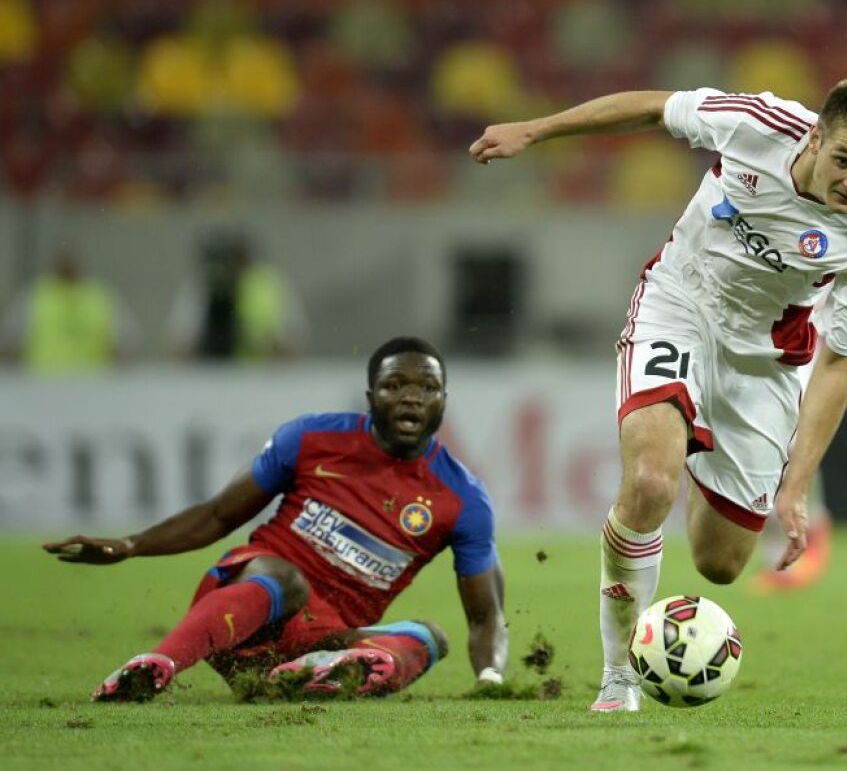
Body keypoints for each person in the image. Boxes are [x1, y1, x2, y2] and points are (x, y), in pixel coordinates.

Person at [470, 79, 847, 712]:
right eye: (845, 160)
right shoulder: (757, 125)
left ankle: (694, 442)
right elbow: (653, 107)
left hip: (764, 363)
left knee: (720, 563)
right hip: (680, 307)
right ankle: (618, 677)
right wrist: (535, 130)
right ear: (816, 137)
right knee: (650, 482)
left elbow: (838, 362)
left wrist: (796, 485)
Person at [43, 336, 507, 702]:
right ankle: (156, 664)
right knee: (288, 580)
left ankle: (309, 676)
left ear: (444, 399)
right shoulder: (311, 439)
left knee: (429, 637)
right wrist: (131, 545)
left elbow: (486, 615)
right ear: (370, 396)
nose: (411, 399)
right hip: (245, 610)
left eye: (427, 389)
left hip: (320, 637)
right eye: (393, 387)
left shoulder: (462, 498)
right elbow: (217, 515)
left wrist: (490, 677)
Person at [165, 229, 308, 361]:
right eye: (224, 261)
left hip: (262, 375)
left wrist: (256, 340)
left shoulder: (272, 286)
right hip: (212, 373)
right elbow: (176, 348)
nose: (230, 268)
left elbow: (294, 347)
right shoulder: (202, 288)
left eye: (235, 259)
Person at [0, 247, 142, 373]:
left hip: (93, 383)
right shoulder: (35, 296)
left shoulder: (100, 297)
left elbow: (124, 344)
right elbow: (10, 343)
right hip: (42, 382)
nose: (69, 267)